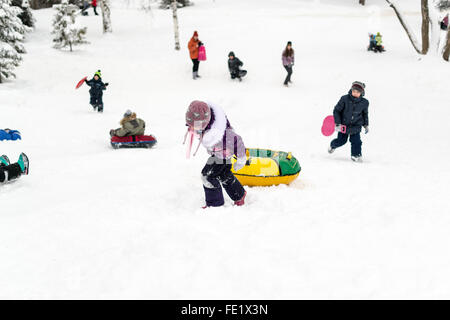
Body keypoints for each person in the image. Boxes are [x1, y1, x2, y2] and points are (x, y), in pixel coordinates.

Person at [184, 100, 247, 208]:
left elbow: (238, 142)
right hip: (218, 153)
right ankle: (239, 195)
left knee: (207, 176)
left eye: (195, 126)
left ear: (205, 122)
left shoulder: (224, 133)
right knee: (224, 174)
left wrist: (241, 159)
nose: (193, 129)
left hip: (223, 155)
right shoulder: (203, 124)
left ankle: (215, 204)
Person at [328, 81, 369, 162]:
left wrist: (366, 125)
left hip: (356, 126)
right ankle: (333, 146)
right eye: (354, 91)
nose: (355, 93)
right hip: (343, 125)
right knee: (341, 141)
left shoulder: (364, 102)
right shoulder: (344, 99)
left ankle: (356, 155)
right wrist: (338, 123)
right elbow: (337, 111)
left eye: (357, 92)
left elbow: (365, 114)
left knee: (356, 141)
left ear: (362, 93)